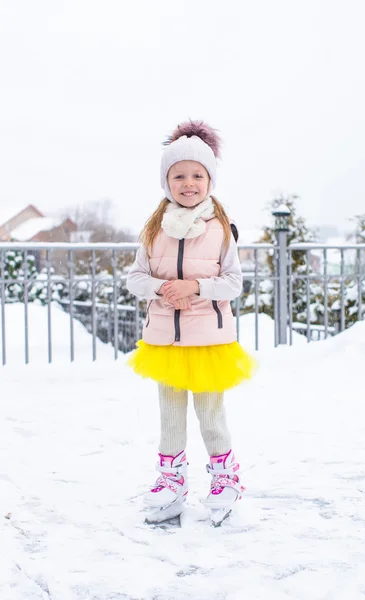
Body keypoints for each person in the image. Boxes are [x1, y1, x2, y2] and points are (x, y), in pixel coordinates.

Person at [126, 120, 256, 521]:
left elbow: (233, 283)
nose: (188, 182)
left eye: (197, 175)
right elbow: (135, 278)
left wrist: (195, 287)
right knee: (170, 417)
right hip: (165, 341)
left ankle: (224, 476)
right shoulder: (153, 231)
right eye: (179, 175)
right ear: (167, 182)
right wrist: (161, 289)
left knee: (210, 414)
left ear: (209, 180)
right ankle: (171, 481)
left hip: (209, 340)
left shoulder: (220, 230)